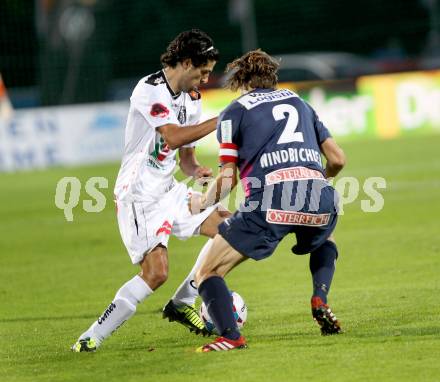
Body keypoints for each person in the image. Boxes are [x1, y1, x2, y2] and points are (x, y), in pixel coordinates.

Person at [72, 29, 227, 352]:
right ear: (186, 62)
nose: (206, 79)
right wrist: (222, 119)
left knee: (228, 231)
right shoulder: (149, 90)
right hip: (139, 193)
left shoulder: (193, 100)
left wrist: (195, 169)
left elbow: (184, 157)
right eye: (203, 71)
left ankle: (183, 302)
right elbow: (171, 136)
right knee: (156, 273)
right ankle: (92, 336)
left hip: (168, 189)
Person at [189, 49, 346, 352]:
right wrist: (315, 180)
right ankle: (320, 298)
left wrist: (202, 204)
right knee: (325, 235)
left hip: (269, 200)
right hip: (320, 196)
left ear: (241, 81)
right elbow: (338, 159)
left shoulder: (233, 112)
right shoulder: (300, 103)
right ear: (272, 77)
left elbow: (227, 179)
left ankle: (231, 337)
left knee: (207, 272)